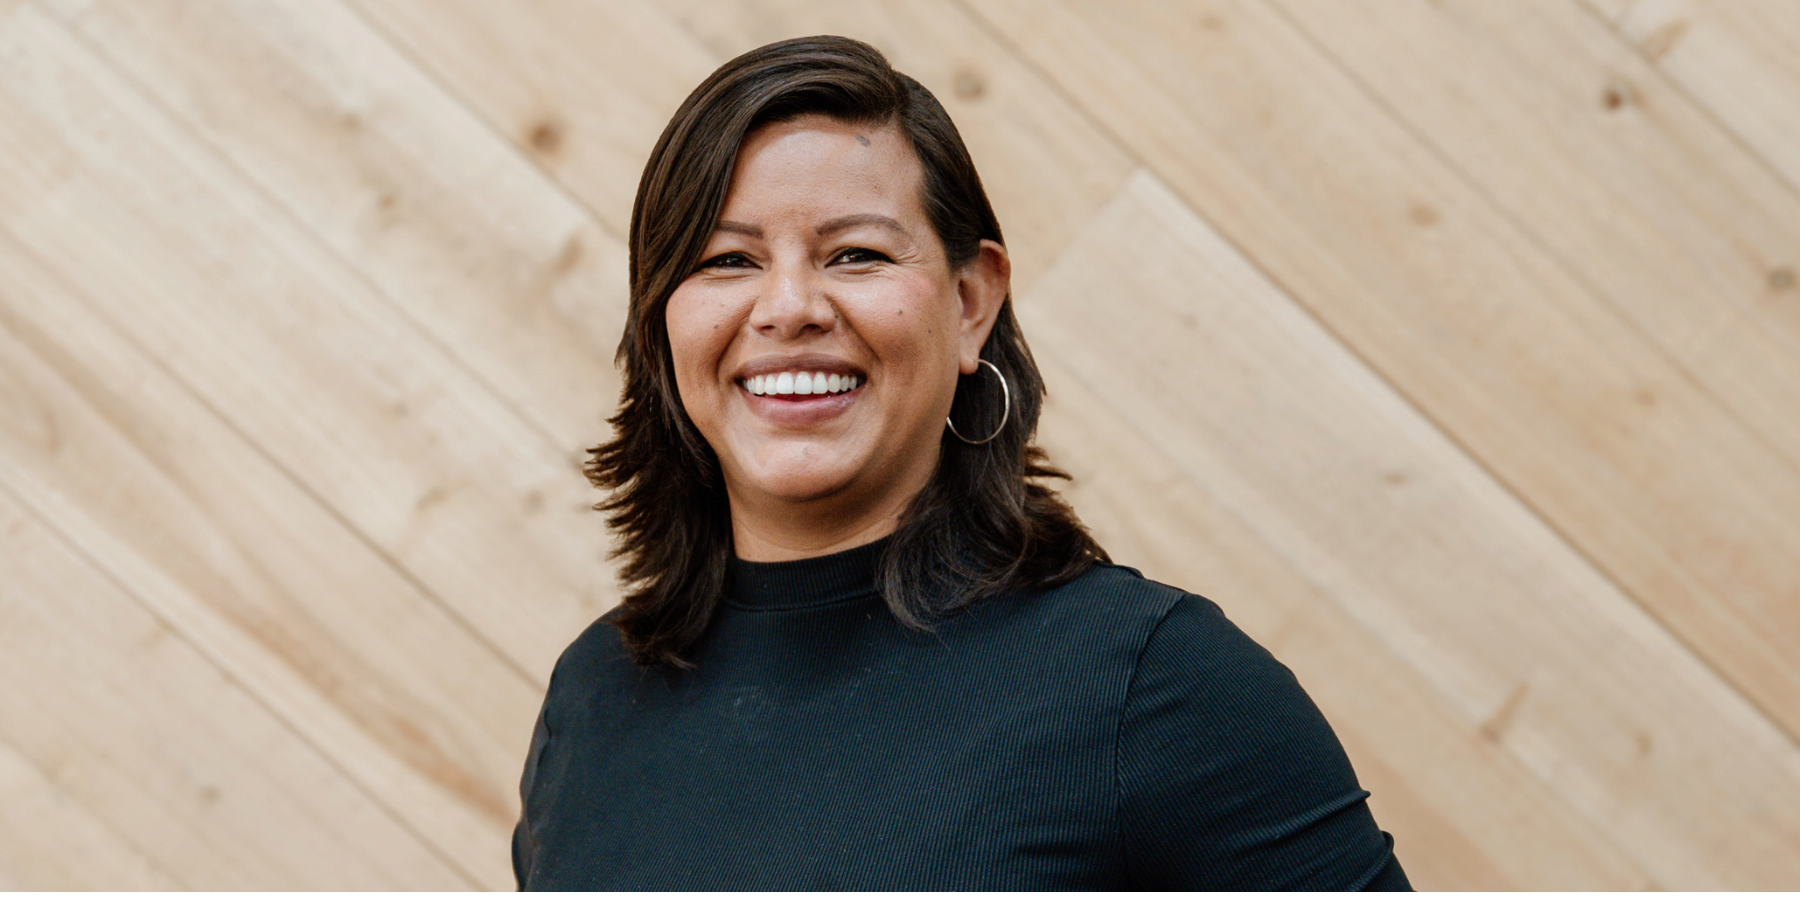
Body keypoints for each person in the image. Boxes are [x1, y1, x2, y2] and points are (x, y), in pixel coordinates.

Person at [511, 35, 1409, 891]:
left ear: (972, 301)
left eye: (854, 254)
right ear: (664, 323)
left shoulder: (1152, 687)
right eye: (727, 260)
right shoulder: (593, 700)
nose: (787, 306)